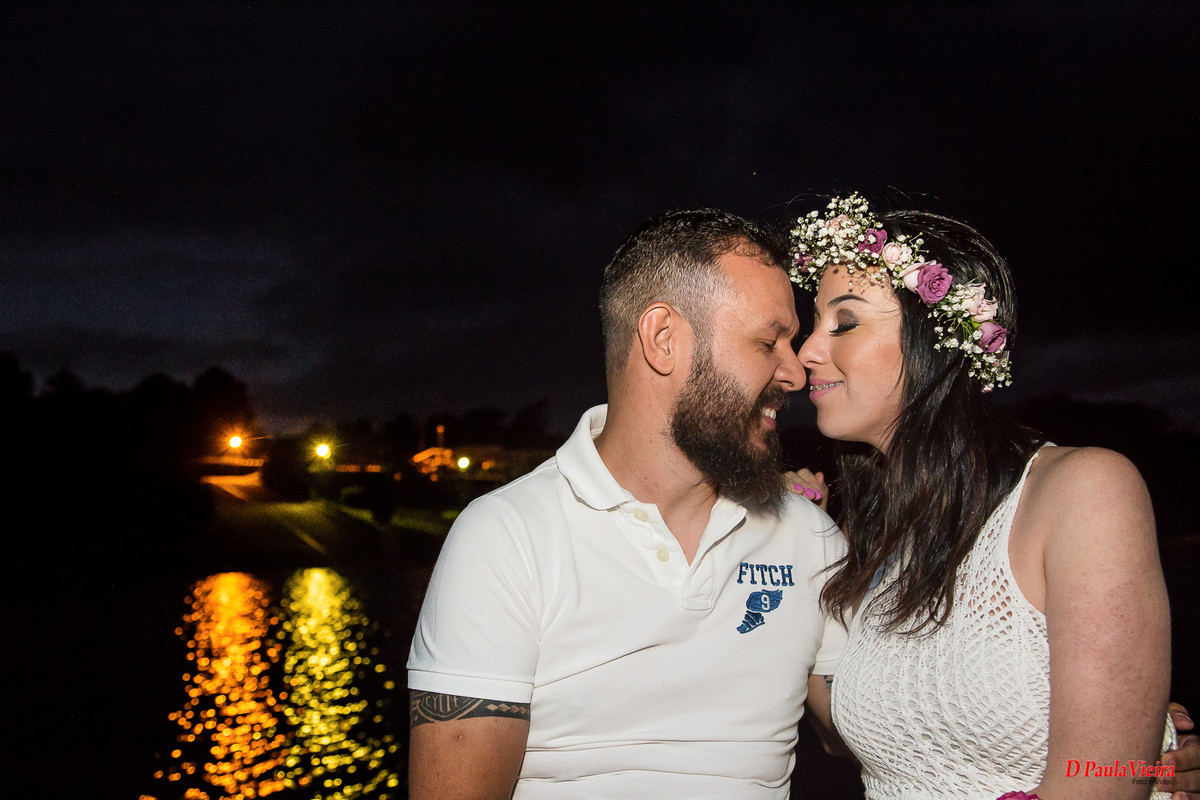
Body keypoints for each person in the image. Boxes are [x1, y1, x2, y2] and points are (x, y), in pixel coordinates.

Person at [406, 209, 848, 799]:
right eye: (770, 342)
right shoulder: (505, 538)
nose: (795, 372)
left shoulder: (810, 536)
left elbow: (865, 732)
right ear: (664, 339)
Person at [785, 193, 1194, 800]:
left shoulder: (1081, 492)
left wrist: (1141, 764)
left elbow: (1107, 780)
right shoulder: (874, 542)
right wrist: (787, 545)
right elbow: (845, 736)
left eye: (844, 322)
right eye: (813, 325)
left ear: (939, 340)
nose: (806, 353)